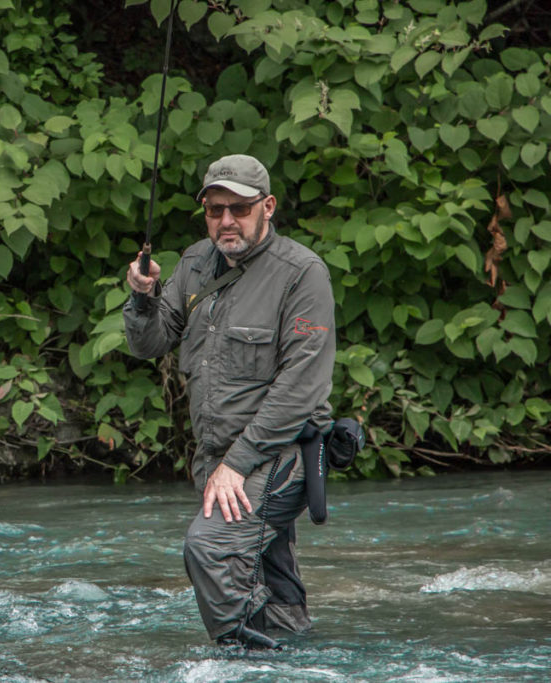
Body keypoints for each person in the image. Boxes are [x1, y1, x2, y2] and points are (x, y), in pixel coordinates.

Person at [122, 153, 336, 646]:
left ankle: (245, 660)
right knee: (270, 584)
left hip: (279, 455)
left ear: (268, 207)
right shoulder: (196, 262)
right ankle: (297, 655)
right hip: (216, 460)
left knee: (211, 548)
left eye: (238, 210)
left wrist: (237, 465)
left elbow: (301, 388)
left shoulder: (303, 273)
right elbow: (148, 345)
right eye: (215, 210)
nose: (225, 221)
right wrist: (141, 297)